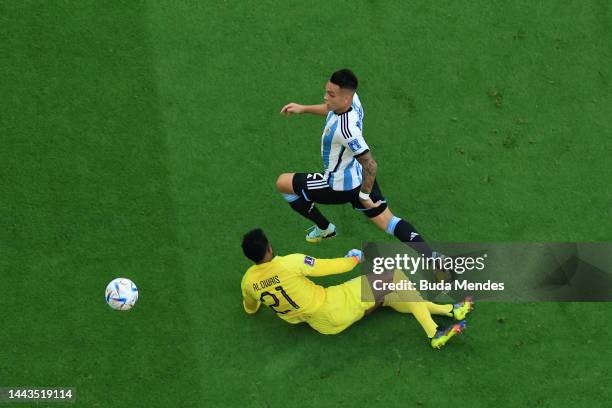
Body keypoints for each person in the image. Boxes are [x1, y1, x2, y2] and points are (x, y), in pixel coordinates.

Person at [277, 69, 442, 269]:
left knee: (283, 183)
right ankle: (432, 258)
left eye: (331, 94)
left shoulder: (346, 131)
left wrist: (364, 196)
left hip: (337, 185)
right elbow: (329, 108)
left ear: (345, 98)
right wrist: (304, 108)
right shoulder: (352, 101)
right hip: (360, 177)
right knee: (388, 222)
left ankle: (324, 228)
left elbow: (370, 164)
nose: (325, 97)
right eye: (326, 91)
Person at [240, 229, 472, 349]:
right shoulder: (290, 263)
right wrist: (354, 259)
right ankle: (434, 332)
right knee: (396, 277)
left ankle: (450, 310)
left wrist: (252, 308)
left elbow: (250, 307)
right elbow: (329, 267)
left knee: (388, 295)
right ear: (269, 248)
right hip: (334, 305)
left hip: (321, 325)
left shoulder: (248, 281)